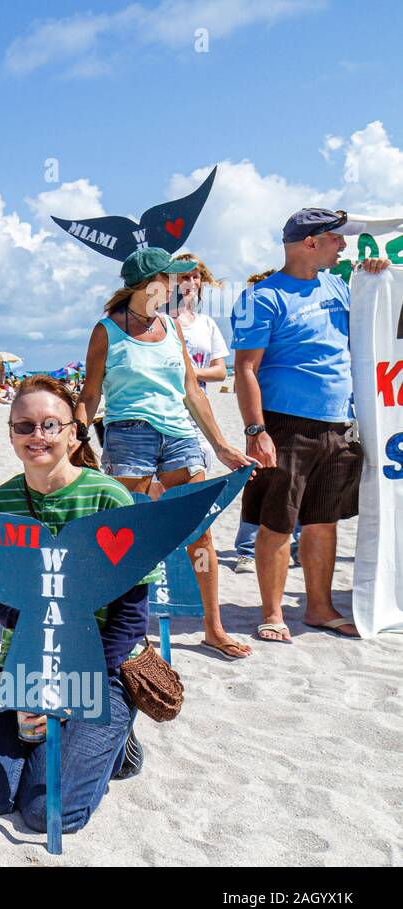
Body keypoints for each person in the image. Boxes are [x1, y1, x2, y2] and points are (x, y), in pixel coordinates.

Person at [0, 375, 147, 833]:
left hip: (102, 667)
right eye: (24, 426)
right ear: (11, 433)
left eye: (49, 425)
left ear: (73, 433)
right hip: (21, 662)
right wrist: (32, 685)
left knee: (48, 814)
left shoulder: (107, 496)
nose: (36, 436)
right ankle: (49, 743)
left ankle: (118, 742)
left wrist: (74, 682)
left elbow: (134, 609)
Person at [78, 248, 255, 660]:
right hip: (128, 437)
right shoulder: (107, 330)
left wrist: (222, 446)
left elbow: (192, 392)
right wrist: (77, 434)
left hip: (179, 436)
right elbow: (91, 391)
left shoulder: (173, 327)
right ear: (148, 284)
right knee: (128, 536)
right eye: (172, 278)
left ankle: (213, 627)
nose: (180, 285)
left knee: (199, 532)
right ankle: (128, 630)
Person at [230, 209, 387, 642]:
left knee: (323, 520)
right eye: (336, 238)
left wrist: (378, 273)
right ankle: (273, 612)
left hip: (340, 424)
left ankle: (319, 609)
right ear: (311, 242)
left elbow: (382, 313)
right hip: (284, 426)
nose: (344, 245)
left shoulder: (340, 285)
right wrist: (255, 431)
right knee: (278, 522)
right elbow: (245, 369)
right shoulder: (261, 297)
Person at [230, 268, 300, 573]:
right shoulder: (249, 310)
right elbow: (245, 368)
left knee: (294, 481)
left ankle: (292, 542)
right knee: (261, 480)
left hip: (294, 408)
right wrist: (254, 426)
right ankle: (247, 547)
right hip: (265, 408)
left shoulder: (287, 315)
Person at [168, 253, 229, 471]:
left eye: (196, 277)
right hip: (166, 411)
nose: (192, 282)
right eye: (185, 277)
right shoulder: (157, 319)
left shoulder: (206, 323)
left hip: (197, 413)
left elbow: (220, 371)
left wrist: (190, 372)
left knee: (200, 466)